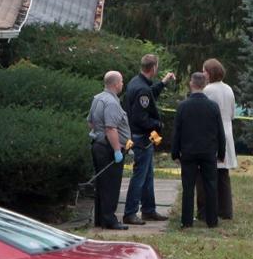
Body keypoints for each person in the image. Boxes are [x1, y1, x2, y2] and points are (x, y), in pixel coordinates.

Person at [122, 53, 175, 225]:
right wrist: (158, 123)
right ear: (153, 68)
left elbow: (149, 95)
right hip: (142, 138)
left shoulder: (135, 83)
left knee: (148, 175)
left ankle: (148, 210)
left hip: (137, 136)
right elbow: (140, 118)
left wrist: (163, 83)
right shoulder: (142, 89)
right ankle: (130, 212)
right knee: (140, 176)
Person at [171, 72, 225, 229]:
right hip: (208, 152)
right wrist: (221, 153)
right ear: (204, 85)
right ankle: (212, 220)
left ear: (191, 84)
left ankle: (186, 221)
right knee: (211, 185)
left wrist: (175, 153)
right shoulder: (213, 107)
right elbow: (220, 132)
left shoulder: (183, 106)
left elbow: (177, 132)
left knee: (188, 187)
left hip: (188, 152)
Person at [87, 71, 130, 230]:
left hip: (98, 144)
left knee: (102, 184)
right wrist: (117, 150)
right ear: (115, 84)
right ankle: (110, 220)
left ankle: (100, 218)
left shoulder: (98, 98)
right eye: (122, 82)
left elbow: (91, 123)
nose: (123, 84)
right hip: (108, 148)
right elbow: (111, 128)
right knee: (111, 185)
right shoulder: (111, 102)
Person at [198, 58, 238, 220]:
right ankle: (225, 210)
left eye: (204, 70)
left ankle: (206, 210)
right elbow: (232, 114)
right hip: (227, 132)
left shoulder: (208, 90)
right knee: (223, 174)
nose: (202, 73)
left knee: (206, 173)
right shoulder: (228, 89)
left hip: (212, 133)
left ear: (210, 73)